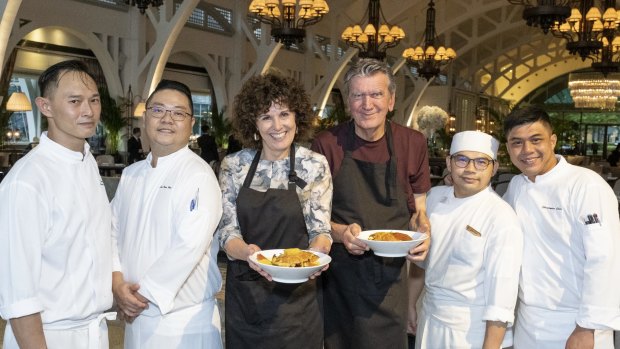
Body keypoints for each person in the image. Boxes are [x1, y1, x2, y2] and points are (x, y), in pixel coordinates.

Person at [311, 58, 431, 349]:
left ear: (391, 100)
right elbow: (311, 216)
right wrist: (341, 233)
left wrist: (423, 233)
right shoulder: (326, 144)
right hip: (340, 278)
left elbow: (419, 211)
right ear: (348, 102)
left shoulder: (412, 143)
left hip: (391, 279)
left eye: (376, 94)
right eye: (358, 95)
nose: (367, 104)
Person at [0, 60, 114, 348]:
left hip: (93, 331)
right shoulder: (27, 180)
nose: (88, 111)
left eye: (94, 100)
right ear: (46, 106)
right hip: (47, 335)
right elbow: (18, 293)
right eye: (75, 101)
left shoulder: (86, 160)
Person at [216, 73, 332, 349]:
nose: (277, 125)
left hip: (299, 298)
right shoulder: (234, 166)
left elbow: (321, 229)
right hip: (247, 294)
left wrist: (316, 256)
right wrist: (246, 252)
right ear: (254, 124)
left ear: (297, 118)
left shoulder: (314, 165)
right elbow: (226, 231)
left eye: (284, 114)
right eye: (266, 117)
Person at [111, 80, 223, 348]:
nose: (167, 119)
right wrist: (116, 282)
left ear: (191, 122)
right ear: (146, 116)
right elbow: (111, 231)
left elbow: (189, 246)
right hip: (135, 318)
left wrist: (139, 297)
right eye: (158, 110)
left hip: (183, 324)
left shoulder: (198, 174)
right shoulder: (131, 174)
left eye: (178, 113)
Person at [502, 106, 620, 349]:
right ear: (508, 148)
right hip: (528, 320)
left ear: (552, 140)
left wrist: (587, 327)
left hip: (577, 322)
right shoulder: (516, 186)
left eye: (536, 140)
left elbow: (605, 260)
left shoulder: (586, 185)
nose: (527, 151)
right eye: (517, 142)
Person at [409, 131, 523, 349]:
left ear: (494, 168)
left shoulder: (501, 217)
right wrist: (410, 304)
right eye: (462, 159)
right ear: (449, 163)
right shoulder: (434, 198)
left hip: (471, 331)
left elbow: (502, 297)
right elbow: (420, 260)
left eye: (481, 162)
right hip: (429, 317)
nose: (470, 169)